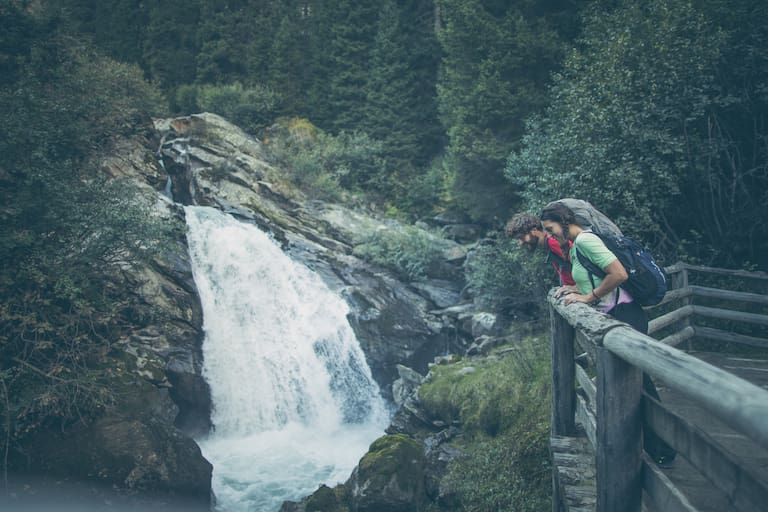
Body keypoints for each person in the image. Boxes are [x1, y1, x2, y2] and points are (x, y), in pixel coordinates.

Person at [539, 201, 676, 466]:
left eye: (550, 228)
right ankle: (655, 447)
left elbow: (619, 274)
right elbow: (594, 277)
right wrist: (575, 291)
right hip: (618, 313)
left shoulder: (586, 241)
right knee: (635, 385)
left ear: (563, 221)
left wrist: (588, 296)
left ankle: (665, 448)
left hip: (626, 315)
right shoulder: (577, 245)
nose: (549, 234)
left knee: (640, 387)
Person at [505, 213, 575, 286]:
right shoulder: (548, 244)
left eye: (521, 237)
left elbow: (582, 261)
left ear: (534, 231)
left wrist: (576, 288)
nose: (520, 243)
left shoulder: (552, 242)